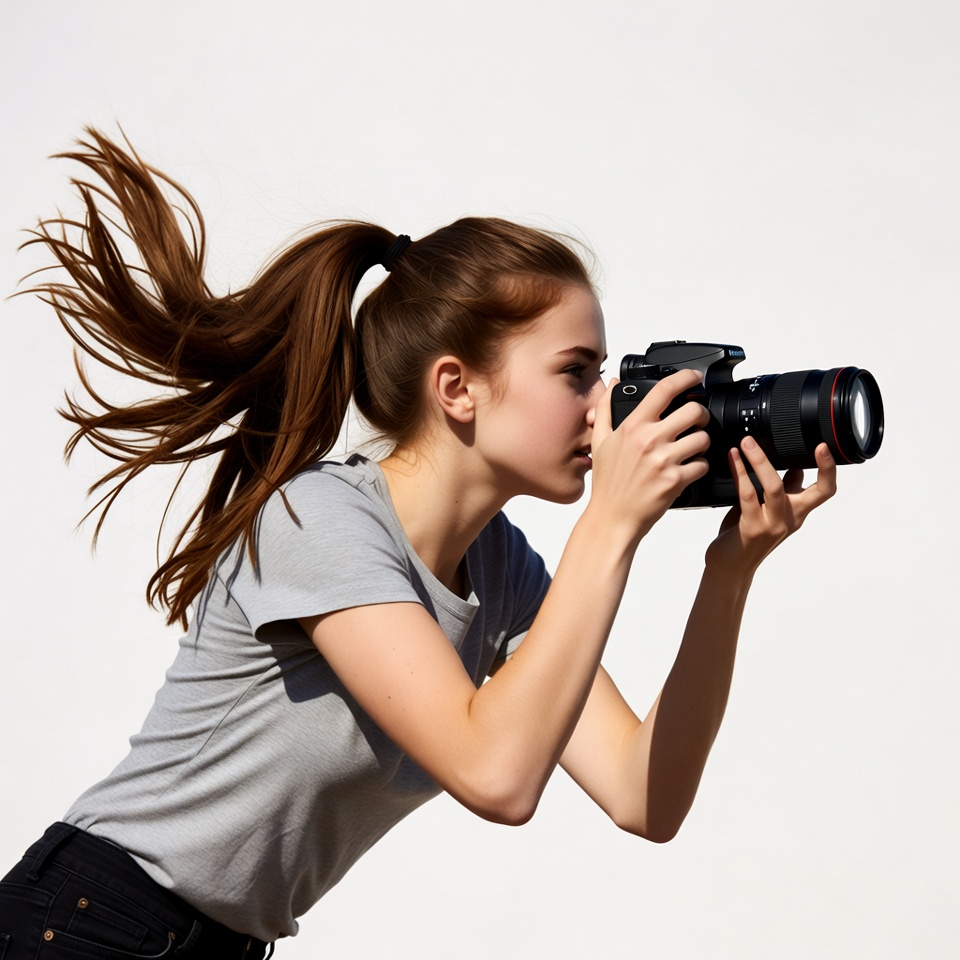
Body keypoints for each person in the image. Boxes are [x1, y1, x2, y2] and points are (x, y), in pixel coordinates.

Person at [0, 129, 836, 958]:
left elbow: (642, 796)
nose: (603, 406)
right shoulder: (319, 520)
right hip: (87, 920)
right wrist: (611, 523)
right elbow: (497, 776)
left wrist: (729, 573)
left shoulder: (499, 568)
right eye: (574, 371)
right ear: (457, 388)